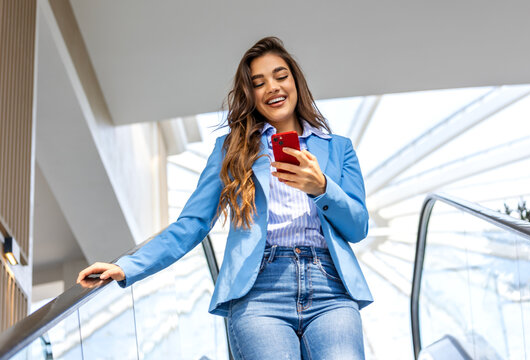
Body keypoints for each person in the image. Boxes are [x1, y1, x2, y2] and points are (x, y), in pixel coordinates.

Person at [77, 36, 373, 360]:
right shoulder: (231, 149)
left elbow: (357, 227)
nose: (272, 87)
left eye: (280, 75)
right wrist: (127, 267)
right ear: (251, 95)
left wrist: (322, 187)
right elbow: (192, 224)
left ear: (296, 81)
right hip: (259, 291)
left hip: (329, 286)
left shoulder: (337, 147)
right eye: (258, 83)